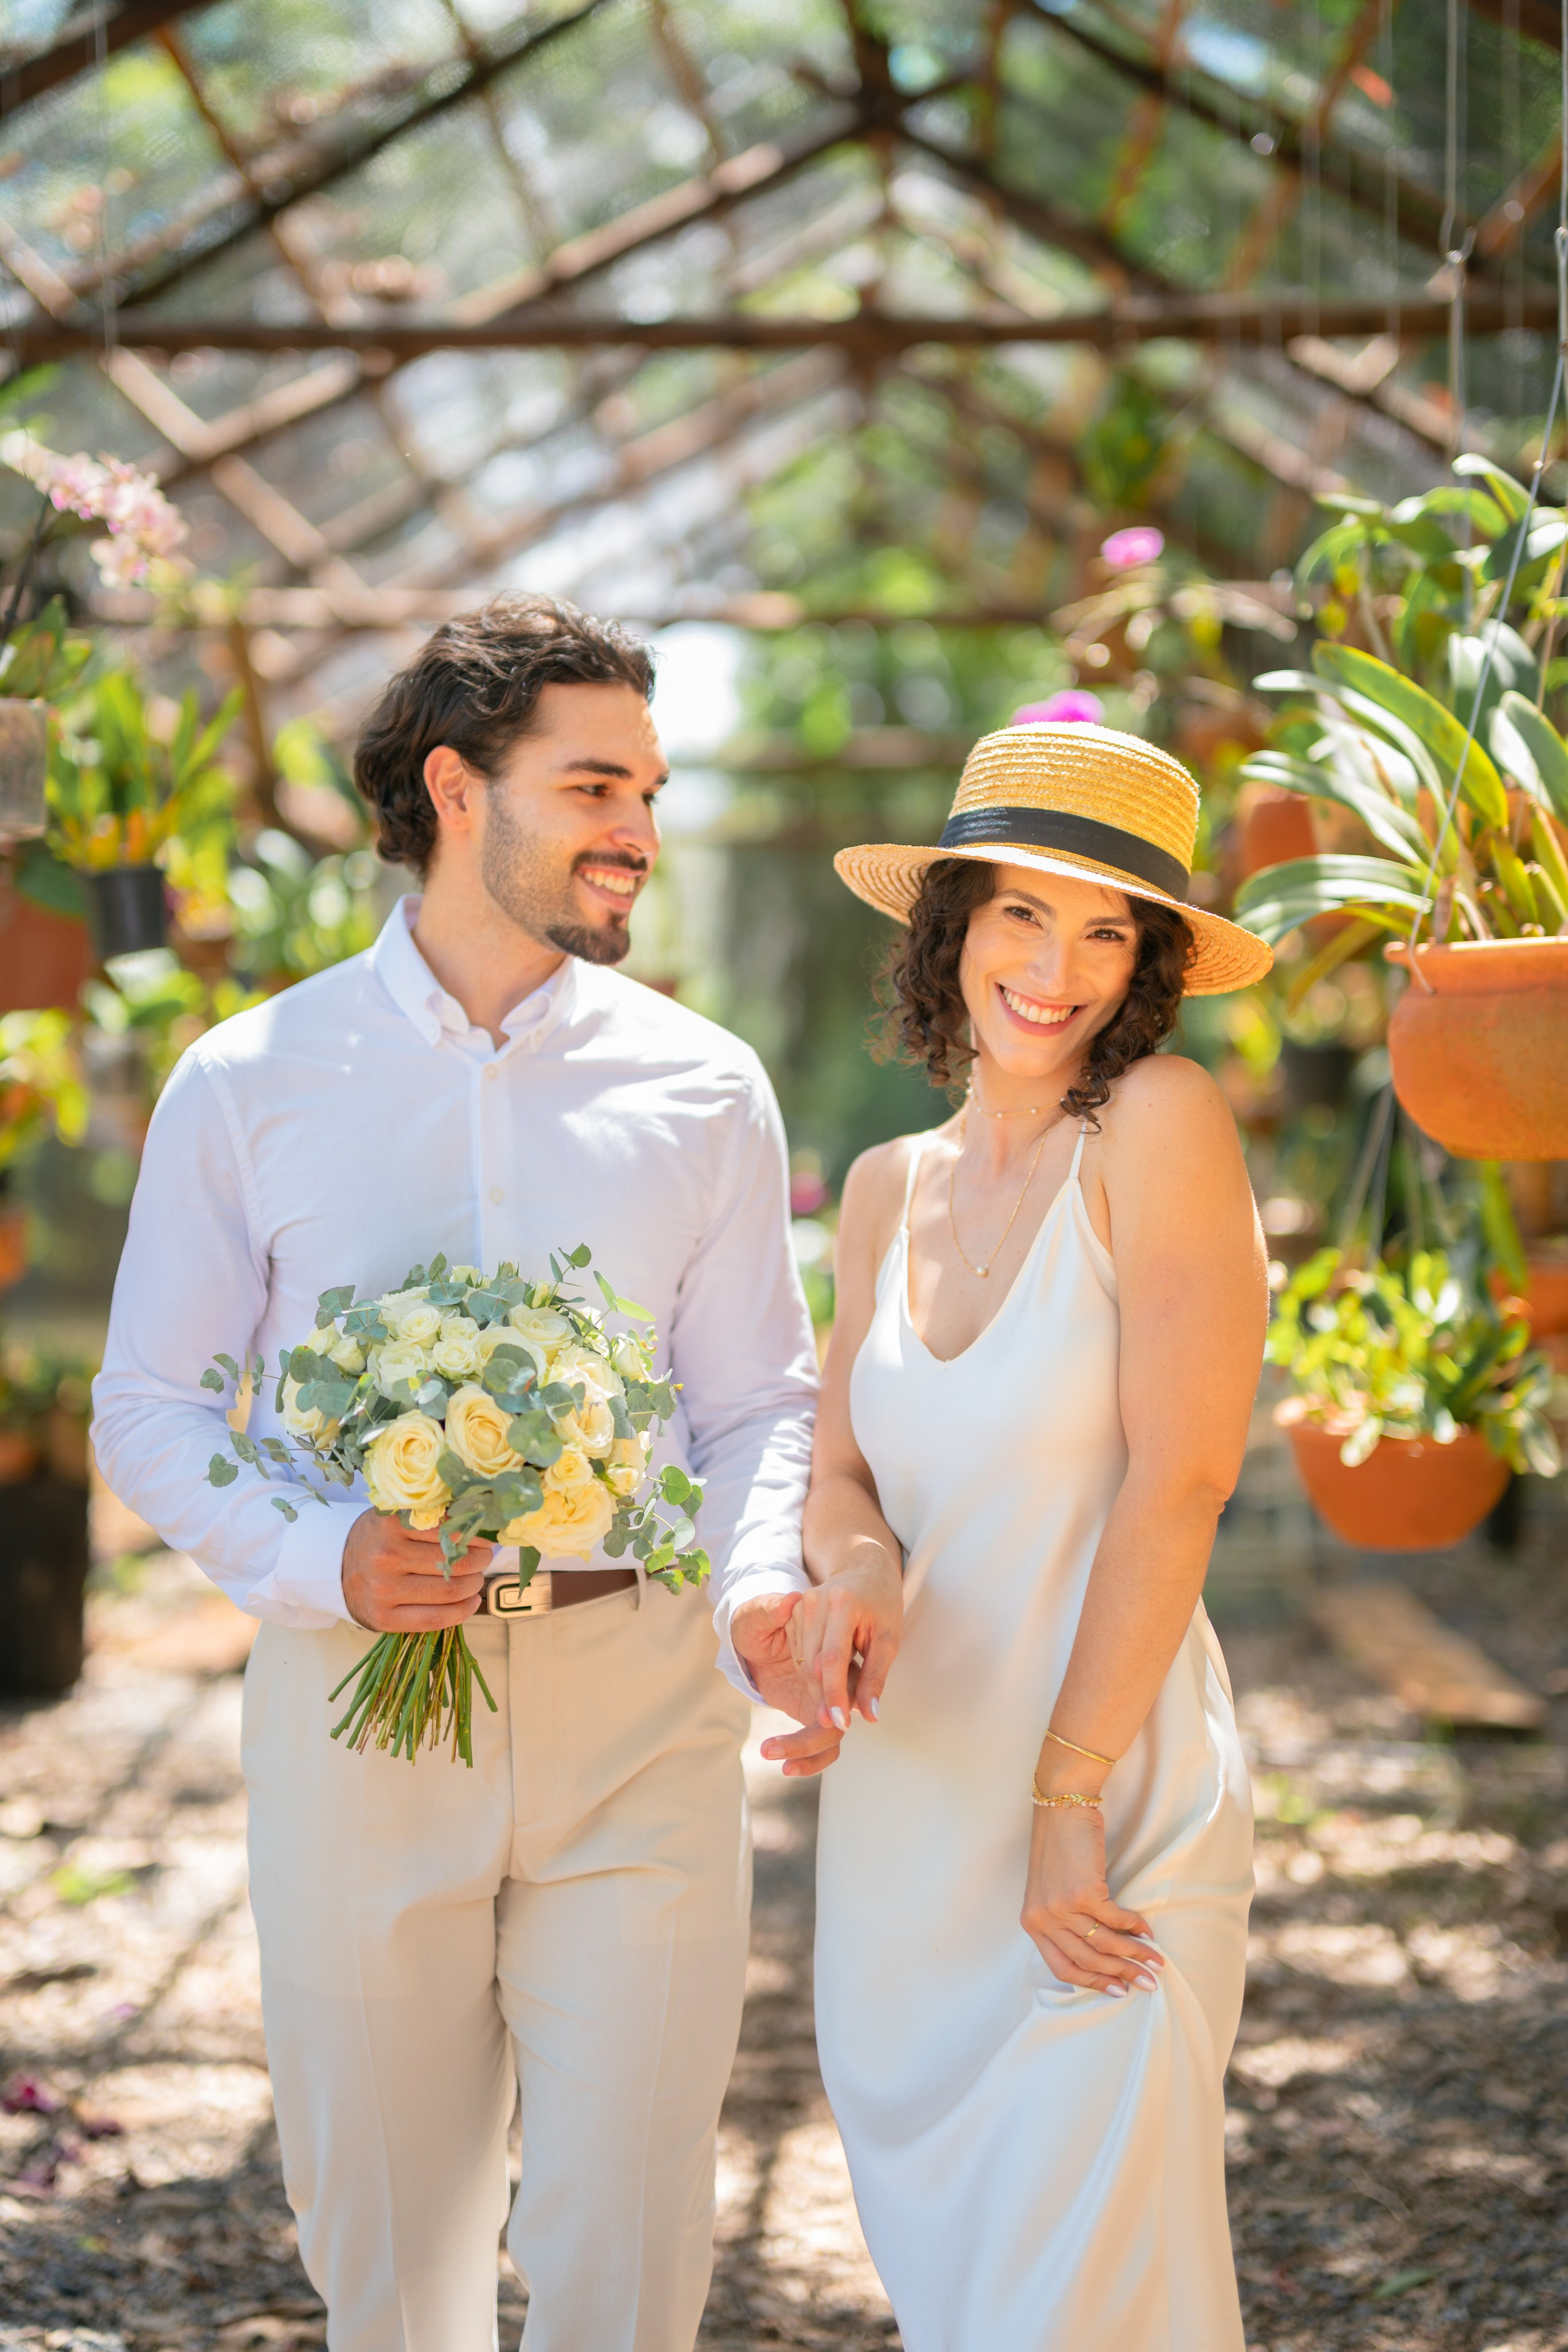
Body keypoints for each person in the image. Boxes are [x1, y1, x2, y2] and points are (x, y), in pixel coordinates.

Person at [92, 595, 842, 2352]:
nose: (639, 833)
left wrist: (754, 1587)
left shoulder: (707, 1090)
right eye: (595, 787)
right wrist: (323, 1550)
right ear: (453, 785)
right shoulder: (247, 1081)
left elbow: (756, 1402)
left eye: (650, 791)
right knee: (395, 2259)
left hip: (641, 1716)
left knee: (632, 2251)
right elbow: (151, 1407)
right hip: (357, 1712)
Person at [771, 720, 1275, 2351]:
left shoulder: (1159, 1126)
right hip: (909, 1819)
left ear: (1144, 968)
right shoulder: (879, 1187)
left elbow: (1184, 1474)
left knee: (1096, 2296)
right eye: (1022, 915)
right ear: (954, 926)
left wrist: (1069, 1799)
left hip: (1104, 1803)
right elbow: (843, 1479)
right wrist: (853, 1584)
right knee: (967, 2298)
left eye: (1106, 928)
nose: (1055, 968)